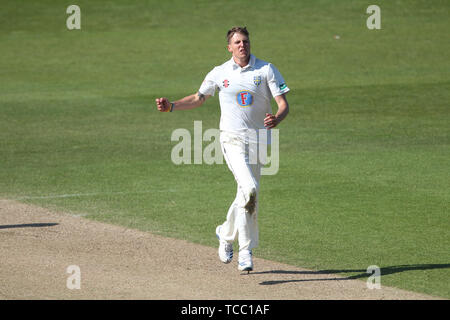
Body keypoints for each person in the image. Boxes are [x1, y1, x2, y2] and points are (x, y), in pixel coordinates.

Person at [156, 26, 290, 272]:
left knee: (247, 195)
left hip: (259, 141)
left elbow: (283, 104)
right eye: (237, 42)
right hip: (232, 140)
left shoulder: (266, 69)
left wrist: (277, 119)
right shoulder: (219, 73)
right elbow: (199, 98)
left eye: (245, 41)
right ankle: (246, 251)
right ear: (229, 47)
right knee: (250, 189)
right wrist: (171, 106)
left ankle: (225, 234)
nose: (242, 45)